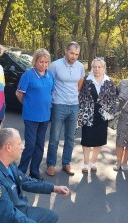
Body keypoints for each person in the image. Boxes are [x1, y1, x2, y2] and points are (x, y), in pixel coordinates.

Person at [46, 42, 85, 177]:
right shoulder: (55, 65)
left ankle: (66, 163)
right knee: (54, 137)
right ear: (66, 51)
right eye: (71, 53)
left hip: (74, 106)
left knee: (70, 138)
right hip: (59, 105)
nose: (74, 56)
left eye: (76, 54)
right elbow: (49, 83)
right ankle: (50, 164)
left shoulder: (80, 66)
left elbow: (79, 84)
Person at [16, 48, 54, 180]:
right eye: (41, 62)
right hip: (31, 117)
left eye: (46, 62)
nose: (43, 65)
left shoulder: (50, 75)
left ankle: (34, 171)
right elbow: (19, 94)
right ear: (35, 61)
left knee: (39, 145)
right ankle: (21, 172)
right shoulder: (28, 75)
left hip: (45, 116)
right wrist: (29, 105)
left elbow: (50, 93)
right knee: (30, 145)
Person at [77, 58, 117, 173]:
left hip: (102, 114)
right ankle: (85, 163)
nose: (97, 69)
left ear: (104, 68)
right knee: (86, 139)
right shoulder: (85, 80)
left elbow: (113, 99)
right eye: (94, 67)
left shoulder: (109, 81)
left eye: (99, 67)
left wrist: (109, 113)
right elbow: (79, 95)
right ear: (92, 68)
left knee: (99, 139)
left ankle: (93, 162)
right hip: (88, 113)